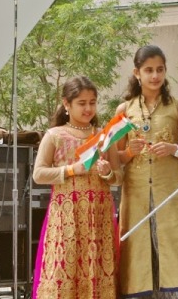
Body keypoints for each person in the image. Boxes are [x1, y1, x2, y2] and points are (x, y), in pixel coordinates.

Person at [116, 45, 178, 298]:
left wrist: (173, 149)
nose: (154, 76)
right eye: (148, 70)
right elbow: (116, 158)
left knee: (175, 246)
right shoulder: (123, 111)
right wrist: (130, 153)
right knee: (139, 249)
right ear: (137, 73)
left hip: (170, 189)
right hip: (135, 192)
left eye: (159, 70)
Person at [32, 76, 122, 298]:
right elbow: (38, 174)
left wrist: (108, 173)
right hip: (66, 217)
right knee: (64, 274)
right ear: (66, 104)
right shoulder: (54, 135)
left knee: (98, 275)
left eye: (92, 102)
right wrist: (72, 170)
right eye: (82, 103)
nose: (88, 108)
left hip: (98, 217)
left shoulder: (104, 136)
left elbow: (119, 178)